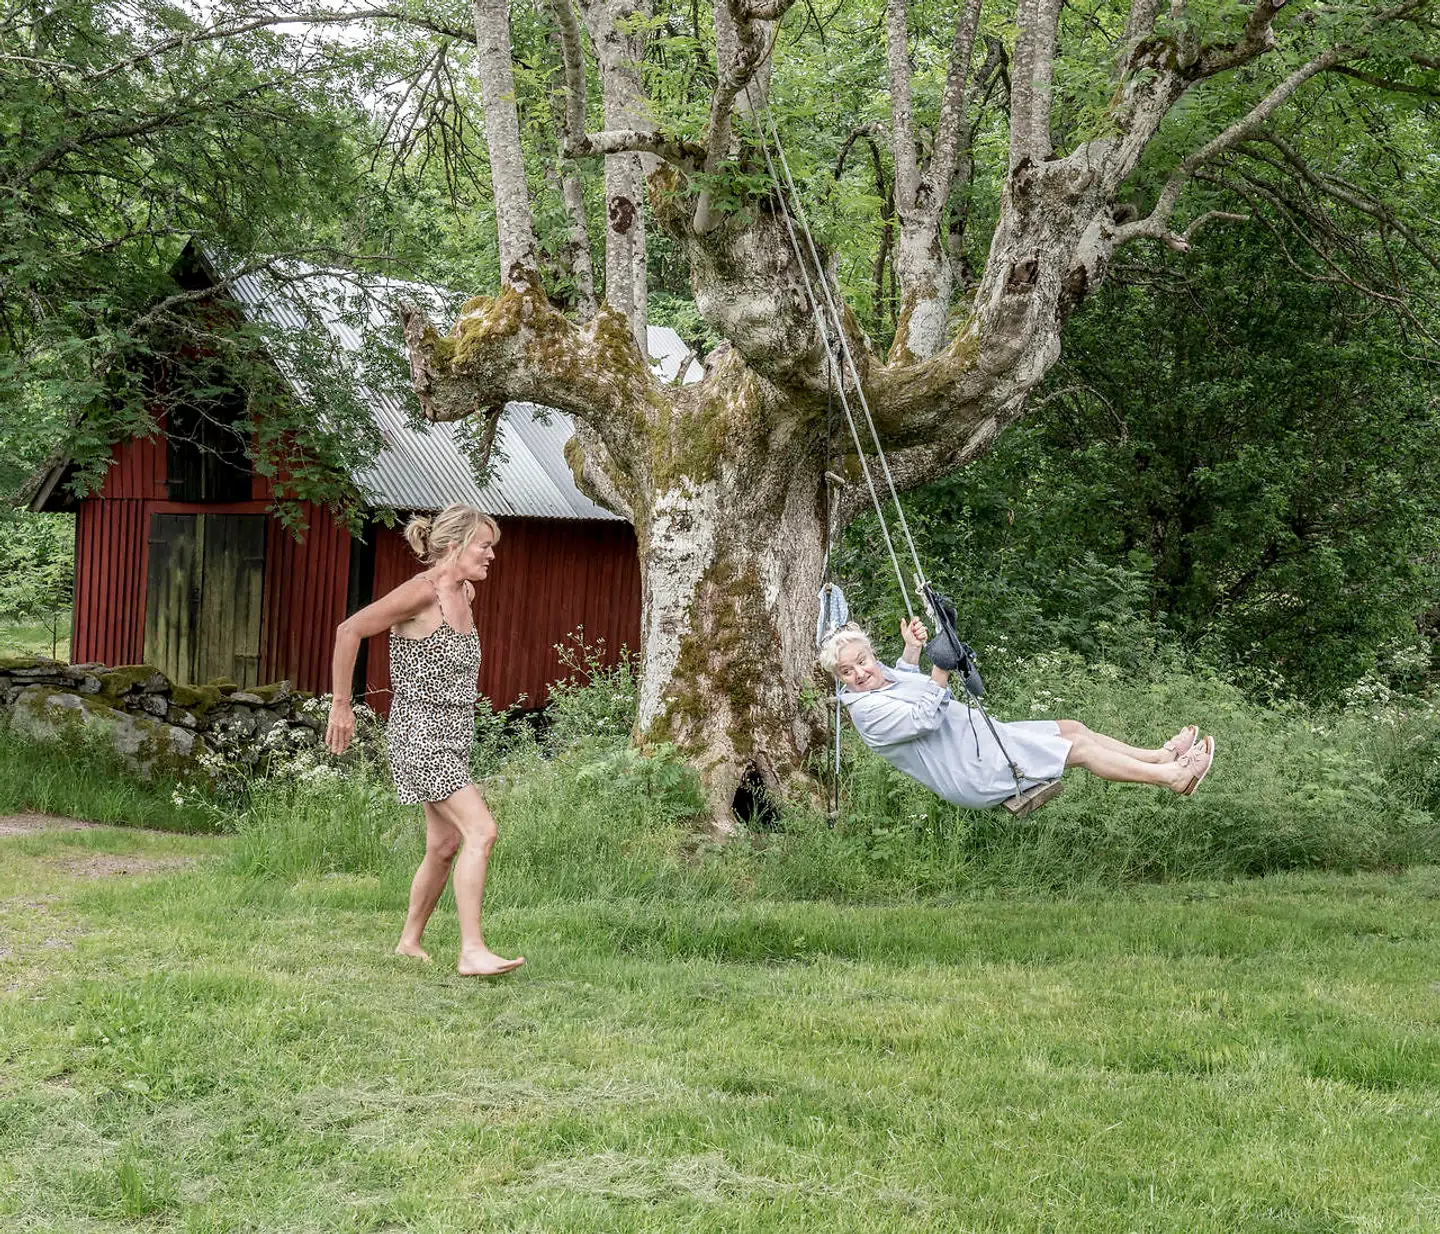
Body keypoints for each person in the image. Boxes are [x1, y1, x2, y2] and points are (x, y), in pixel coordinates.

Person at [325, 504, 523, 976]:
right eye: (484, 545)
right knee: (482, 830)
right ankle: (471, 950)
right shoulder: (420, 593)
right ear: (454, 547)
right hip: (419, 735)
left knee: (444, 845)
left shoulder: (466, 593)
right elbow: (349, 629)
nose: (491, 555)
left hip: (454, 736)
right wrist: (341, 704)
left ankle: (409, 941)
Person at [819, 618, 1215, 809]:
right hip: (970, 767)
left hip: (979, 738)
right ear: (839, 677)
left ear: (870, 653)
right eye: (846, 672)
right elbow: (924, 718)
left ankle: (1159, 756)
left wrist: (913, 650)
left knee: (1072, 727)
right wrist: (940, 667)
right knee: (1078, 748)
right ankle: (1173, 778)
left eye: (862, 660)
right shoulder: (865, 711)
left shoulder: (880, 678)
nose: (859, 673)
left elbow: (904, 681)